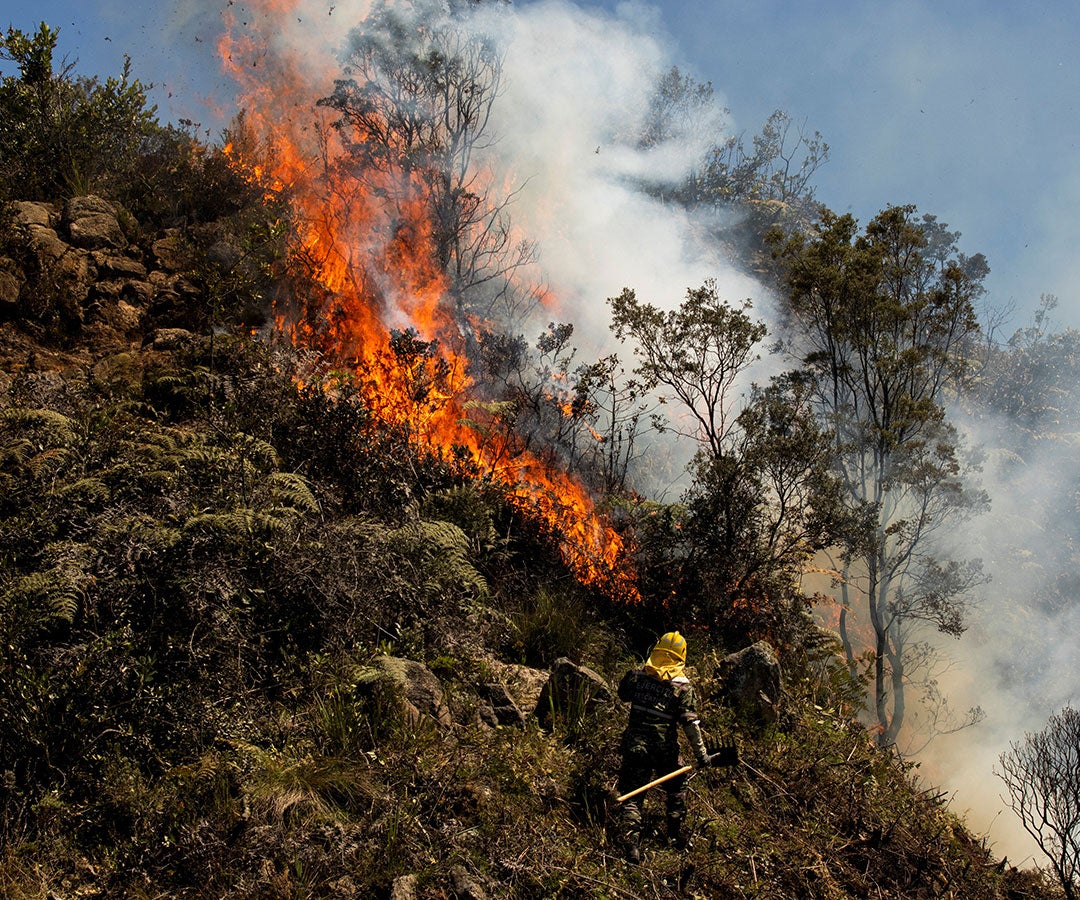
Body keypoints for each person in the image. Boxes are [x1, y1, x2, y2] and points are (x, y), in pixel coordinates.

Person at [617, 630, 712, 863]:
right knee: (677, 786)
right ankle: (673, 835)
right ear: (682, 657)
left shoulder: (637, 676)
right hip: (664, 751)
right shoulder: (683, 688)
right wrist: (702, 755)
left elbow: (622, 695)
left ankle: (632, 847)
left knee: (632, 796)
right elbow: (690, 725)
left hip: (635, 747)